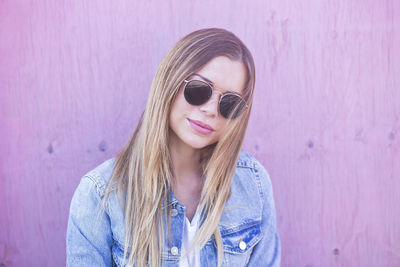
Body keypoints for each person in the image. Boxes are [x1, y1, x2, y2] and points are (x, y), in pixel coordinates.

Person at [66, 28, 281, 267]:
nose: (211, 110)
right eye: (199, 90)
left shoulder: (253, 184)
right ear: (170, 82)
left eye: (229, 103)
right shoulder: (100, 195)